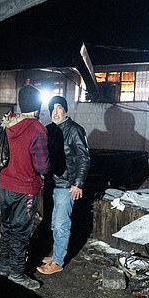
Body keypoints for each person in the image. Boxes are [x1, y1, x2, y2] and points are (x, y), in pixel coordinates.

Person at [0, 85, 50, 290]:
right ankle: (17, 273)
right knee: (20, 231)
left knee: (7, 227)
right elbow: (42, 165)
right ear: (38, 105)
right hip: (25, 187)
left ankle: (4, 267)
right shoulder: (37, 128)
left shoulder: (8, 122)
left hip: (6, 185)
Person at [37, 96, 90, 275]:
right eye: (52, 108)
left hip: (66, 186)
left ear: (66, 110)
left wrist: (78, 183)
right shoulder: (49, 129)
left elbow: (84, 157)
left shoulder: (75, 130)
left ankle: (58, 262)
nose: (55, 112)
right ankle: (56, 254)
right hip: (51, 184)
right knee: (53, 223)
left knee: (61, 224)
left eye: (59, 108)